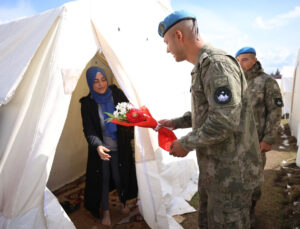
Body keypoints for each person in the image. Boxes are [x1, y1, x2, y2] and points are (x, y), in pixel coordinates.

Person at [157, 10, 263, 229]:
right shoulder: (203, 67)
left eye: (167, 42)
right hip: (215, 171)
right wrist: (175, 122)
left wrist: (185, 143)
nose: (167, 49)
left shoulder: (216, 65)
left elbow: (224, 121)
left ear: (179, 35)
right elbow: (208, 112)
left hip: (231, 174)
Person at [80, 66, 138, 226]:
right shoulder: (88, 103)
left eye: (103, 79)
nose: (101, 84)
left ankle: (123, 202)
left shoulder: (117, 94)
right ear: (90, 83)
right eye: (96, 81)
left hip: (120, 146)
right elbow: (89, 129)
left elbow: (129, 114)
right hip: (103, 150)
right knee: (103, 179)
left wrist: (130, 119)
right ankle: (105, 212)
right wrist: (97, 146)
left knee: (120, 177)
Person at [236, 47, 283, 227]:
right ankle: (239, 210)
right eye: (238, 60)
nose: (241, 63)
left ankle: (250, 210)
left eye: (245, 60)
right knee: (236, 178)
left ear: (255, 61)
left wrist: (269, 139)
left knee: (253, 179)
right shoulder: (236, 82)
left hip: (256, 142)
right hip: (236, 142)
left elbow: (275, 112)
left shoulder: (267, 82)